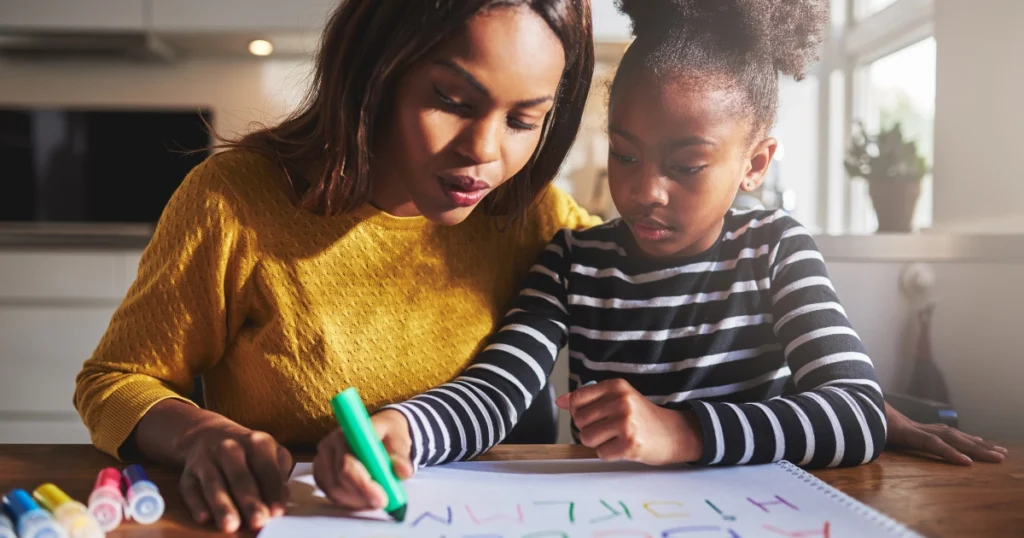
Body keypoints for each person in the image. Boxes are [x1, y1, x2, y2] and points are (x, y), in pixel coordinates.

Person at [313, 0, 1008, 512]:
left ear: (755, 163)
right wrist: (406, 426)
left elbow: (855, 412)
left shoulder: (775, 250)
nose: (644, 191)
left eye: (686, 165)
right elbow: (497, 392)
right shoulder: (572, 261)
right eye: (624, 154)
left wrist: (680, 432)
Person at [73, 0, 597, 533]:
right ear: (377, 71)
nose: (484, 150)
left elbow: (658, 273)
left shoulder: (533, 215)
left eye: (522, 120)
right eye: (451, 100)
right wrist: (199, 436)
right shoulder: (235, 201)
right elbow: (113, 383)